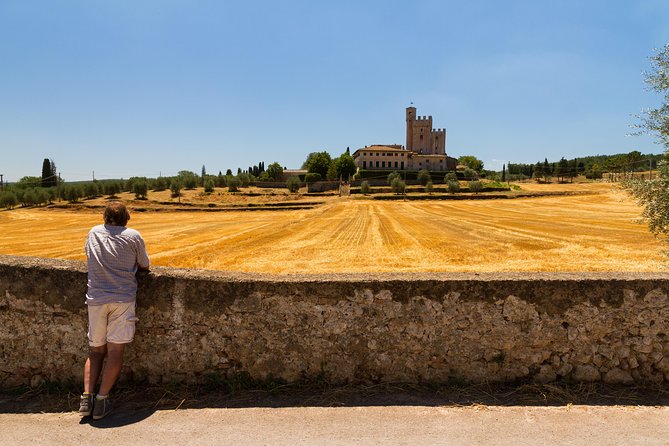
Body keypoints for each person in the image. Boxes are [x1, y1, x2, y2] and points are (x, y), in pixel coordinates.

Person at [79, 201, 150, 420]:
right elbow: (144, 265)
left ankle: (86, 399)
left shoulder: (93, 232)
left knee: (95, 351)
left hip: (96, 299)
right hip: (122, 299)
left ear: (104, 216)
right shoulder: (133, 236)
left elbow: (90, 256)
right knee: (115, 352)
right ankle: (101, 401)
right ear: (126, 218)